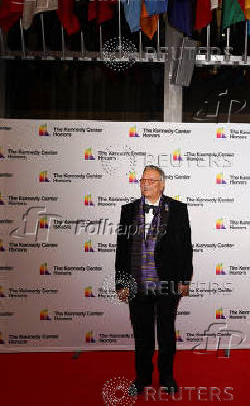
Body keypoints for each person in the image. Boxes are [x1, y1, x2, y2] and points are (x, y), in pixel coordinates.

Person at [115, 165, 193, 395]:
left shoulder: (178, 209)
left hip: (167, 283)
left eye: (151, 180)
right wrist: (121, 283)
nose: (145, 183)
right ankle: (142, 378)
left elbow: (185, 247)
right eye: (142, 180)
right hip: (137, 284)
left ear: (162, 184)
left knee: (167, 333)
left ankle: (167, 376)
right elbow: (122, 249)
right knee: (142, 335)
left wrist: (184, 279)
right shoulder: (128, 210)